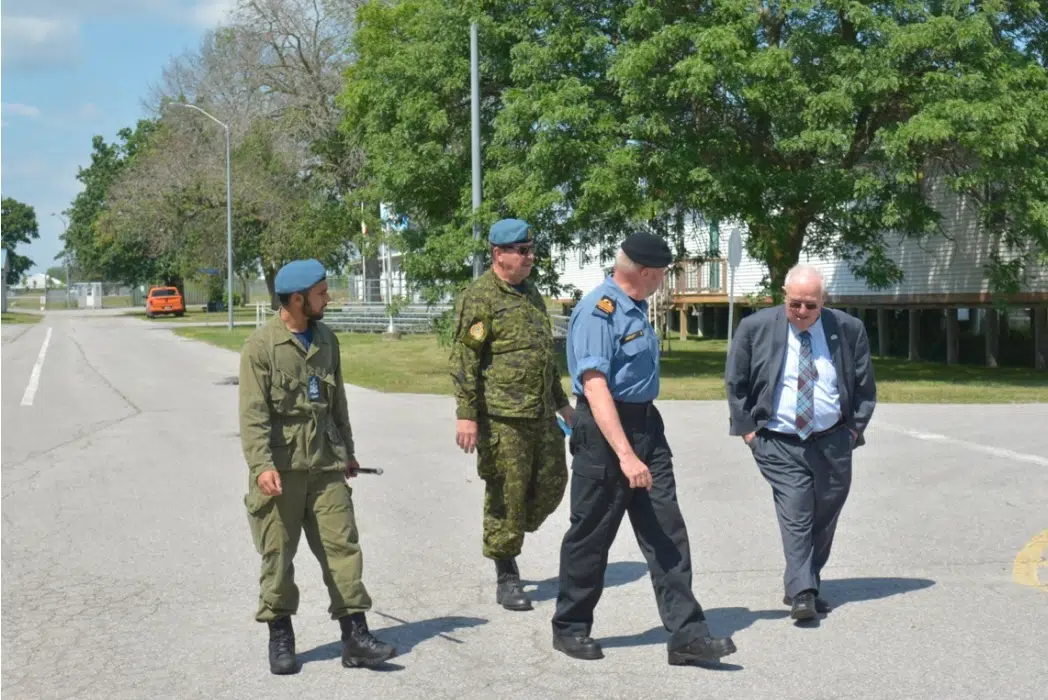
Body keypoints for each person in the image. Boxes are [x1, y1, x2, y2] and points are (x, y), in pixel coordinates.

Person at [550, 232, 737, 666]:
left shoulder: (633, 307)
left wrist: (641, 446)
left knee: (666, 531)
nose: (664, 281)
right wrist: (626, 455)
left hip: (645, 425)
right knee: (591, 534)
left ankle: (687, 635)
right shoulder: (600, 311)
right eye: (664, 274)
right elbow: (595, 388)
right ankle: (571, 626)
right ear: (648, 272)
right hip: (605, 430)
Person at [238, 258, 396, 674]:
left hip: (326, 466)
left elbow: (337, 403)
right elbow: (253, 416)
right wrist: (261, 466)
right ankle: (280, 633)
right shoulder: (260, 348)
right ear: (297, 299)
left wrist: (348, 451)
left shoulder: (327, 339)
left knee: (342, 548)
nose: (329, 298)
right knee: (278, 555)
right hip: (281, 470)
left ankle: (355, 636)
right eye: (322, 293)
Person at [725, 264, 877, 621]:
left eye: (811, 304)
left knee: (825, 512)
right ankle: (803, 593)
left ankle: (803, 579)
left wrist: (852, 430)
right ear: (784, 296)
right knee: (797, 510)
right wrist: (750, 432)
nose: (803, 312)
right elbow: (736, 382)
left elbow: (864, 384)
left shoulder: (848, 329)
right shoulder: (754, 328)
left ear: (824, 300)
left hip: (833, 439)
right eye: (796, 304)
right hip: (778, 440)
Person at [449, 218, 574, 611]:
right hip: (502, 416)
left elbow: (543, 358)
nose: (529, 256)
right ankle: (506, 571)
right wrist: (466, 415)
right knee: (507, 492)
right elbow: (465, 358)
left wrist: (562, 403)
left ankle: (512, 531)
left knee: (554, 480)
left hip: (538, 411)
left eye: (531, 249)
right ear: (498, 254)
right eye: (521, 250)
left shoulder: (531, 294)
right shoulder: (481, 296)